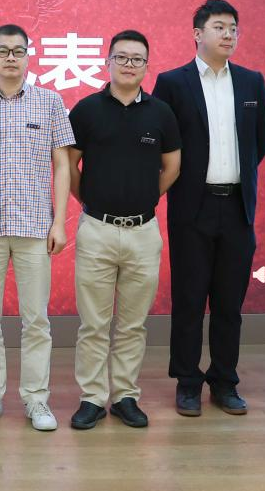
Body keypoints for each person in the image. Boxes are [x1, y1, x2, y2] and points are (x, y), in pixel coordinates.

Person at [152, 0, 265, 417]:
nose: (228, 34)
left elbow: (260, 143)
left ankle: (224, 381)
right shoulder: (172, 82)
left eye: (233, 28)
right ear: (197, 34)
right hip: (192, 207)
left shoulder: (252, 82)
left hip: (237, 206)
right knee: (188, 300)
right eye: (219, 27)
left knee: (229, 303)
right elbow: (162, 142)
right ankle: (187, 381)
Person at [0, 24, 74, 432]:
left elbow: (62, 164)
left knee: (36, 320)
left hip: (35, 225)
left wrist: (59, 222)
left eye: (18, 51)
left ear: (29, 56)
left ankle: (36, 399)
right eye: (3, 51)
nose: (11, 58)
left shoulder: (50, 101)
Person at [67, 29, 181, 430]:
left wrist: (146, 197)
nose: (129, 64)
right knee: (94, 324)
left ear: (147, 66)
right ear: (108, 62)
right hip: (96, 229)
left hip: (143, 232)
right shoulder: (86, 110)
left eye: (137, 59)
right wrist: (89, 201)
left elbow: (172, 167)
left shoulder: (161, 113)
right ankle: (92, 398)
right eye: (122, 57)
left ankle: (125, 396)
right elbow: (70, 166)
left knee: (132, 324)